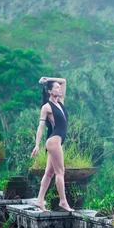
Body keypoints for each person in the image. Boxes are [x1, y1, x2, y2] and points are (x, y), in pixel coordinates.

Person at [31, 76, 74, 212]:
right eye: (56, 87)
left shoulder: (60, 102)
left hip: (57, 141)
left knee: (49, 173)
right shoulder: (46, 107)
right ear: (50, 91)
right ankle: (63, 201)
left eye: (59, 87)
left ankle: (39, 200)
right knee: (60, 172)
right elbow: (40, 127)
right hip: (54, 140)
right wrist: (37, 145)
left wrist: (48, 78)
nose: (59, 88)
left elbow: (64, 80)